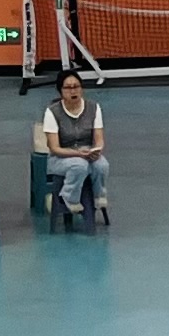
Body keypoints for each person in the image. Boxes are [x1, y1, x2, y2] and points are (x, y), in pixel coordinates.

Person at [37, 70, 109, 230]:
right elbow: (54, 148)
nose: (73, 91)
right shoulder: (52, 112)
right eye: (68, 88)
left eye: (76, 86)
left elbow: (99, 138)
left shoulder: (94, 108)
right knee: (79, 165)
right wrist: (78, 154)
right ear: (60, 91)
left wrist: (96, 150)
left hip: (86, 152)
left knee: (101, 164)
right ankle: (69, 197)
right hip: (60, 157)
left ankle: (99, 195)